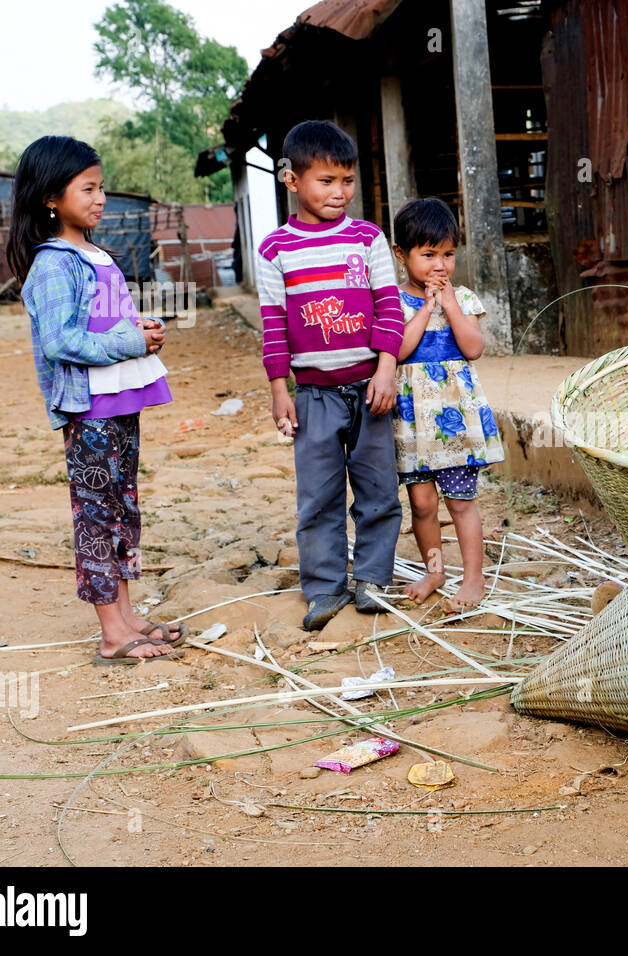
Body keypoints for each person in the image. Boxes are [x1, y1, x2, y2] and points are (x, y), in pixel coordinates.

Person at [10, 135, 180, 664]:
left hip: (119, 399)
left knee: (121, 508)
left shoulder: (97, 254)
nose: (100, 198)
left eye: (101, 187)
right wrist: (131, 340)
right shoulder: (54, 264)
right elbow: (61, 340)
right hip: (89, 410)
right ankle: (111, 632)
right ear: (50, 198)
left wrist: (141, 327)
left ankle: (126, 616)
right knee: (96, 515)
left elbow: (105, 322)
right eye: (88, 188)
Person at [258, 120, 405, 630]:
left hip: (372, 390)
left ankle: (372, 579)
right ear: (292, 181)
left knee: (378, 490)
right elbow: (274, 328)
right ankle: (324, 588)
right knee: (318, 495)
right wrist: (281, 391)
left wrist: (386, 371)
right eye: (326, 181)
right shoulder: (276, 250)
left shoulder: (367, 239)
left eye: (347, 181)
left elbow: (390, 310)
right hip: (313, 395)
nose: (339, 192)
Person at [390, 199, 504, 609]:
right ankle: (435, 570)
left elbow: (473, 348)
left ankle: (473, 579)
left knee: (460, 501)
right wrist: (425, 310)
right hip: (413, 422)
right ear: (401, 254)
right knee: (421, 505)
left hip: (454, 422)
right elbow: (399, 350)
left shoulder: (464, 297)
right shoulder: (393, 301)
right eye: (428, 255)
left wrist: (450, 305)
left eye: (448, 254)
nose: (440, 265)